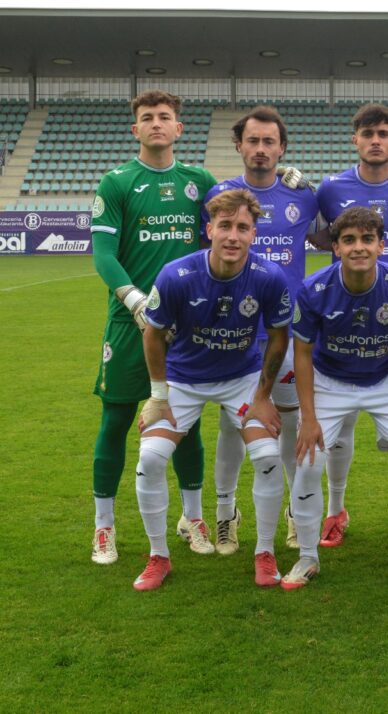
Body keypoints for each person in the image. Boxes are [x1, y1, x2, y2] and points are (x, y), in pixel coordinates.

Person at [132, 189, 292, 591]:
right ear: (210, 230)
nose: (233, 236)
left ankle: (264, 551)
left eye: (242, 228)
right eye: (225, 226)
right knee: (150, 459)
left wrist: (261, 396)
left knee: (269, 456)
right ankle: (158, 556)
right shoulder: (176, 275)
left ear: (254, 234)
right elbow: (152, 335)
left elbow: (278, 336)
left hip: (241, 379)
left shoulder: (269, 277)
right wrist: (158, 396)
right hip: (183, 381)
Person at [89, 90, 216, 565]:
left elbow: (239, 212)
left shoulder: (199, 181)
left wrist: (291, 183)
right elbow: (103, 253)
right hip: (129, 322)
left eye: (165, 117)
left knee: (186, 425)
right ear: (135, 129)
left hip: (185, 327)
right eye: (148, 118)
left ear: (179, 129)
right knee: (117, 420)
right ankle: (104, 528)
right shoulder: (117, 182)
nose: (157, 123)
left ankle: (192, 517)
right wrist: (133, 297)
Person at [284, 206, 388, 590]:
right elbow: (301, 353)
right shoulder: (314, 289)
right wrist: (309, 417)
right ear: (335, 247)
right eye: (349, 240)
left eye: (367, 239)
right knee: (308, 463)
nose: (359, 248)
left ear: (382, 245)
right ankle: (307, 557)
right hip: (330, 382)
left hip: (387, 378)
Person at [203, 105, 319, 557]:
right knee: (233, 426)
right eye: (252, 141)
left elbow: (330, 237)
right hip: (232, 331)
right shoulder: (219, 195)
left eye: (269, 142)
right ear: (239, 146)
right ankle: (226, 514)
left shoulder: (303, 196)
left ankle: (293, 510)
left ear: (282, 149)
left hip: (286, 332)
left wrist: (309, 183)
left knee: (288, 423)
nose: (260, 149)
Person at [313, 102, 388, 546]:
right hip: (342, 313)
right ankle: (335, 511)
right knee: (336, 430)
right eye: (367, 134)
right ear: (355, 140)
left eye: (383, 134)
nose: (375, 141)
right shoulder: (331, 188)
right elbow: (317, 233)